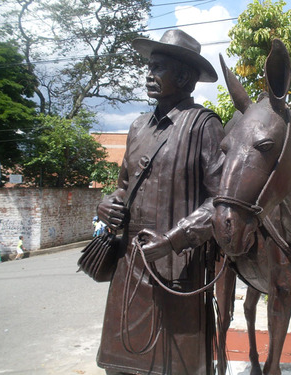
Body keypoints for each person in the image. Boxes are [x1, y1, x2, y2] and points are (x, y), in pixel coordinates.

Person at [95, 29, 225, 375]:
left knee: (176, 365)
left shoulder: (203, 126)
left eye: (158, 68)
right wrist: (107, 204)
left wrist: (173, 240)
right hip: (131, 262)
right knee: (120, 364)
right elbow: (124, 186)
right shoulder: (138, 127)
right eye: (148, 68)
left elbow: (221, 201)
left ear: (183, 77)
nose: (148, 76)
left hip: (177, 265)